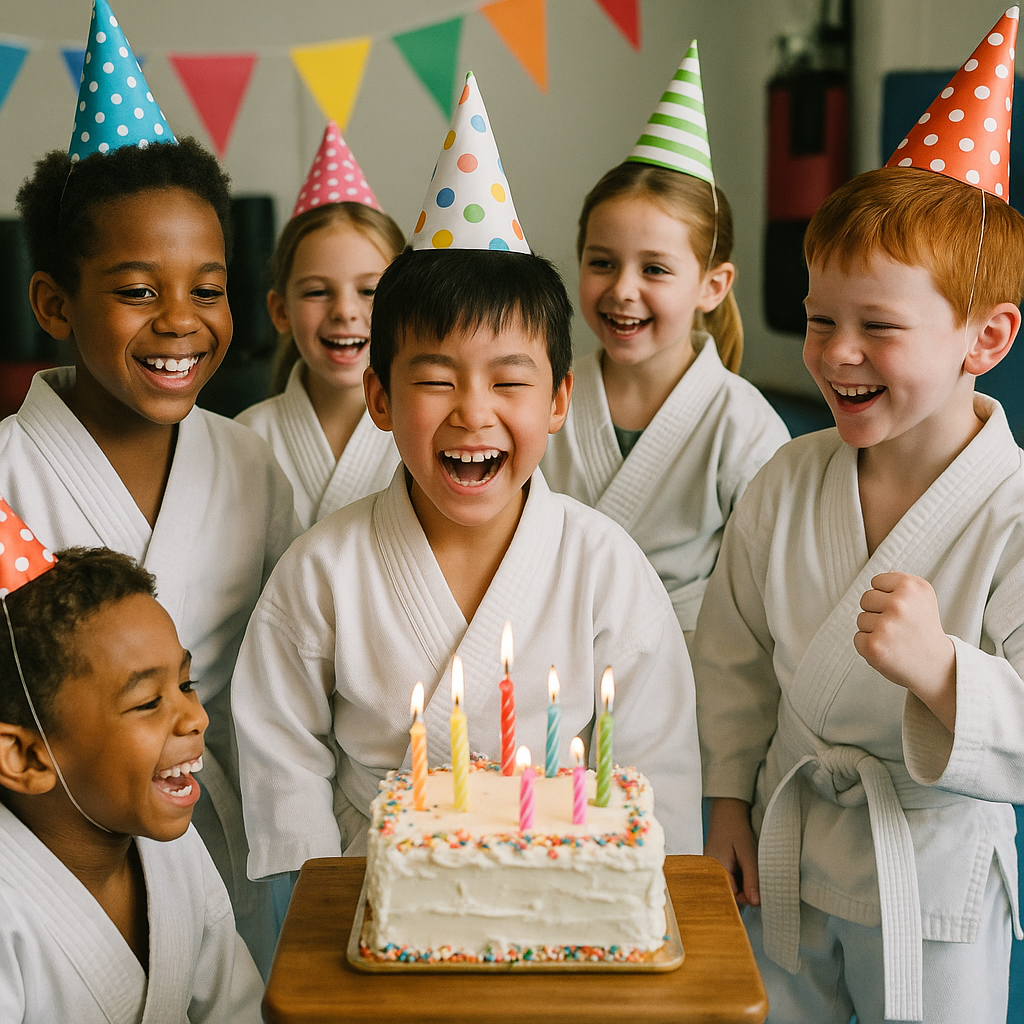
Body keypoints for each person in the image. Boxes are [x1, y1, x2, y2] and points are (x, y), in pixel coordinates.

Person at [231, 72, 703, 883]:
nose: (473, 413)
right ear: (379, 397)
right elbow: (281, 749)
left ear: (560, 399)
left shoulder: (603, 564)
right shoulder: (322, 569)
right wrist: (319, 895)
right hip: (373, 893)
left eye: (510, 380)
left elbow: (656, 758)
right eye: (437, 378)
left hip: (568, 890)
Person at [695, 12, 1024, 1023]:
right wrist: (727, 802)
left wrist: (941, 671)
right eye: (820, 317)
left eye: (876, 326)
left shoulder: (1011, 514)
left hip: (928, 874)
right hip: (786, 848)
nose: (836, 352)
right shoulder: (787, 480)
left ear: (987, 337)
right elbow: (733, 657)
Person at [0, 0, 298, 975]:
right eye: (136, 290)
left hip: (222, 833)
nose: (179, 321)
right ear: (53, 302)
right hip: (52, 856)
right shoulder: (7, 470)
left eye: (206, 288)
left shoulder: (250, 459)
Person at [542, 42, 789, 643]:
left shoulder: (743, 424)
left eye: (654, 270)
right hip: (553, 652)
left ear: (712, 285)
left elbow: (772, 589)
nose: (622, 290)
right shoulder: (545, 399)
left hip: (692, 669)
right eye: (602, 263)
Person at [0, 526, 263, 1023]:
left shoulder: (173, 850)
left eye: (187, 683)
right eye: (147, 702)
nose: (196, 717)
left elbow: (235, 1008)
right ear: (26, 758)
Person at [237, 123, 405, 529]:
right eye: (316, 292)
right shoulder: (245, 437)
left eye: (369, 291)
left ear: (404, 305)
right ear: (279, 311)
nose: (344, 311)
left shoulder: (426, 428)